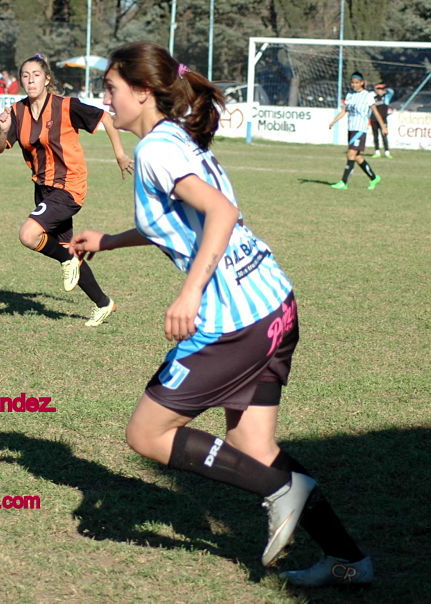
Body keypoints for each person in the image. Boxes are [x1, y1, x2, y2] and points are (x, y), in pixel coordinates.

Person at [69, 41, 373, 586]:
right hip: (275, 302)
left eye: (112, 88)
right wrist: (110, 241)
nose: (105, 99)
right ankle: (350, 560)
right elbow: (181, 220)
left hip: (235, 321)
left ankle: (283, 491)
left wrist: (190, 293)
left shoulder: (156, 151)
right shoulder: (172, 140)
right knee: (253, 448)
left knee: (147, 435)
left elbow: (222, 212)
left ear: (142, 92)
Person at [0, 53, 133, 327]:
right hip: (43, 189)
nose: (30, 80)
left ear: (46, 79)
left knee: (28, 234)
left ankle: (67, 259)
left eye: (36, 75)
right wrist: (2, 130)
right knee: (69, 249)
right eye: (25, 75)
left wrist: (119, 154)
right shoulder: (17, 112)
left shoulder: (66, 106)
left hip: (69, 186)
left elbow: (105, 117)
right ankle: (104, 303)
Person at [328, 72, 386, 190]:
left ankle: (344, 182)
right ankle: (374, 178)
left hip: (360, 129)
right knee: (357, 156)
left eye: (356, 83)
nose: (354, 85)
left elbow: (375, 111)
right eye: (352, 82)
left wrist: (383, 126)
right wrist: (334, 121)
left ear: (362, 83)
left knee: (350, 153)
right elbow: (345, 111)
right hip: (351, 129)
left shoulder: (368, 95)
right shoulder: (350, 95)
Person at [371, 82, 393, 158]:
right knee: (375, 136)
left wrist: (385, 89)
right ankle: (377, 152)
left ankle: (387, 152)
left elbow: (391, 91)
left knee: (384, 136)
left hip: (383, 120)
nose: (380, 90)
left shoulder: (386, 97)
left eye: (382, 89)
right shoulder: (373, 97)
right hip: (374, 119)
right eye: (379, 89)